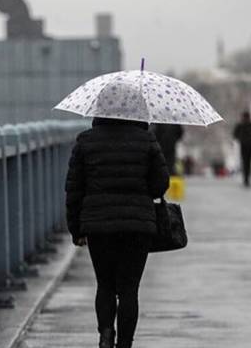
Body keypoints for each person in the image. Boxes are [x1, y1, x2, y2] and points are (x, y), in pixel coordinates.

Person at [65, 118, 170, 348]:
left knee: (105, 285)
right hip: (137, 225)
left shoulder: (86, 141)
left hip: (98, 225)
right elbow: (160, 184)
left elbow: (74, 189)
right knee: (129, 289)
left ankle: (105, 334)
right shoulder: (147, 139)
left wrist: (76, 229)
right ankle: (124, 344)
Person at [233, 111, 251, 187]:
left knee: (245, 163)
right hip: (249, 146)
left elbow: (235, 135)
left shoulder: (241, 125)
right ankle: (247, 179)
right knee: (248, 163)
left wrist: (240, 138)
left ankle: (246, 178)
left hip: (244, 146)